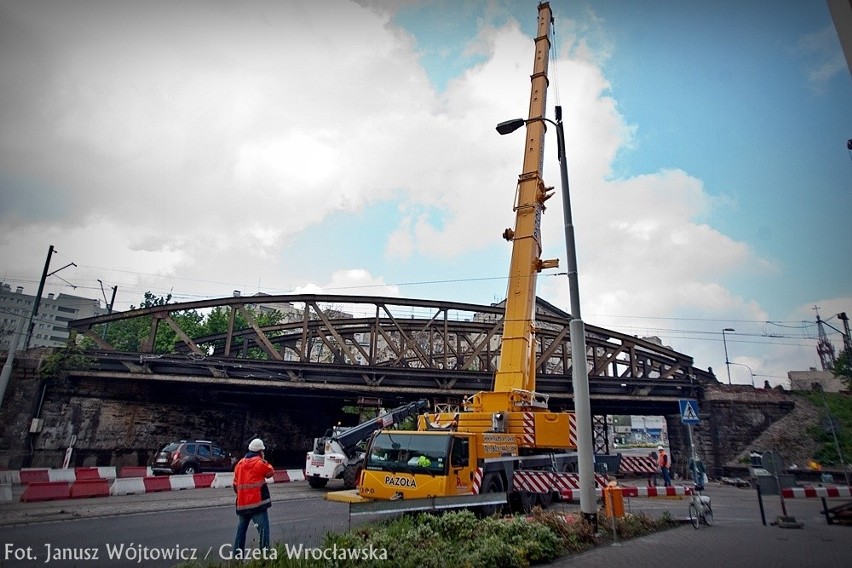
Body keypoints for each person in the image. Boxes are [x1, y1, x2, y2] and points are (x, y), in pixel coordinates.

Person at [233, 438, 275, 554]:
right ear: (260, 451)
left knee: (241, 532)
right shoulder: (259, 463)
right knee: (263, 531)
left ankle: (237, 558)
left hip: (242, 505)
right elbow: (270, 472)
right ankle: (265, 557)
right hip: (257, 505)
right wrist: (264, 461)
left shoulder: (239, 464)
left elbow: (235, 485)